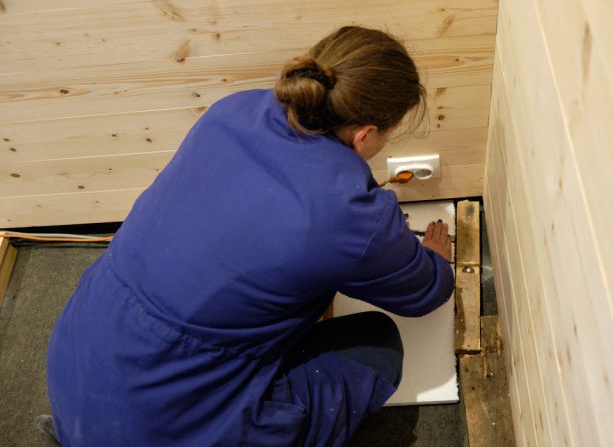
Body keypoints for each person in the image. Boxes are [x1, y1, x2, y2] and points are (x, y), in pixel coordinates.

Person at [41, 25, 455, 446]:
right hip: (161, 429)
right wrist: (435, 261)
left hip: (76, 367)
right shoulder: (347, 213)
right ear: (366, 134)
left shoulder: (233, 111)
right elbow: (424, 293)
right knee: (378, 348)